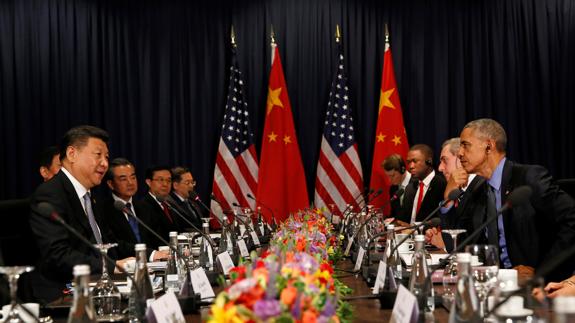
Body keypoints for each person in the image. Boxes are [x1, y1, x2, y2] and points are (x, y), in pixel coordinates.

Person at [457, 118, 575, 281]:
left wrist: (542, 272)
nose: (460, 153)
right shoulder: (479, 188)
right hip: (492, 283)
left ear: (489, 146)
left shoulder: (529, 177)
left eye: (465, 145)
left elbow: (572, 220)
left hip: (536, 288)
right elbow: (463, 237)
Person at [29, 125, 132, 303]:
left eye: (106, 157)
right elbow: (58, 255)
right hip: (62, 293)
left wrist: (148, 255)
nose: (105, 163)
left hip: (97, 284)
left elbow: (108, 243)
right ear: (71, 154)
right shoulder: (50, 194)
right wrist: (112, 266)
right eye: (98, 154)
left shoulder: (89, 197)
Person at [99, 158, 167, 260]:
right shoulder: (103, 210)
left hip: (153, 266)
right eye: (123, 179)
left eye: (133, 177)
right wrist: (150, 254)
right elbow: (114, 244)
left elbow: (157, 238)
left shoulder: (145, 207)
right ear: (110, 184)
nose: (130, 183)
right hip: (124, 268)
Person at [425, 138, 483, 251]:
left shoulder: (480, 188)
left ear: (461, 158)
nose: (440, 168)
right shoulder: (457, 191)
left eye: (445, 160)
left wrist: (446, 243)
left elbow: (474, 241)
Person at [397, 144, 446, 224]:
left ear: (429, 162)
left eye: (415, 161)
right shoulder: (410, 188)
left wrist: (414, 229)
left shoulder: (442, 185)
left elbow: (440, 220)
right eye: (409, 162)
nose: (411, 166)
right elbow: (403, 220)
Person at [136, 165, 179, 240]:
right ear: (149, 182)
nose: (165, 184)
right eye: (160, 180)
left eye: (169, 180)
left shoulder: (170, 204)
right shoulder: (143, 206)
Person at [382, 154, 411, 219]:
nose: (390, 180)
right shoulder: (393, 188)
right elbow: (394, 214)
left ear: (402, 170)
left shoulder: (417, 184)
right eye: (388, 176)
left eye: (392, 176)